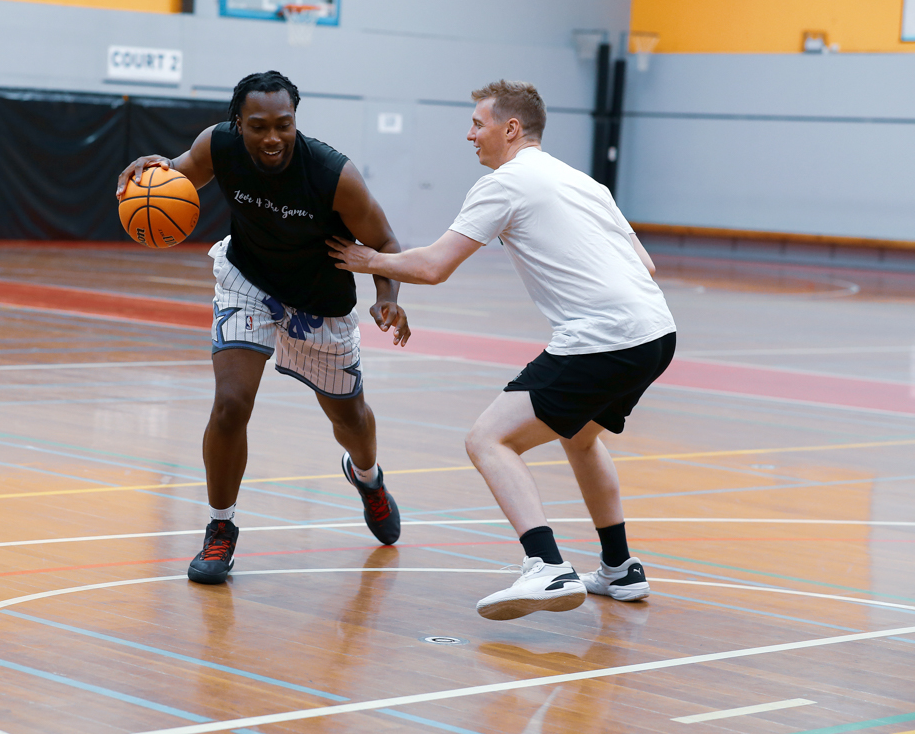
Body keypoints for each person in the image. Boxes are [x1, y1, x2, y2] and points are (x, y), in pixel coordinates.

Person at [328, 79, 676, 620]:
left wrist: (367, 260)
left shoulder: (506, 183)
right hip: (656, 333)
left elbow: (433, 267)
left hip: (601, 339)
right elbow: (646, 266)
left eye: (478, 123)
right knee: (582, 438)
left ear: (510, 129)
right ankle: (619, 568)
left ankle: (546, 566)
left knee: (487, 438)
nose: (469, 134)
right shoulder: (586, 183)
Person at [118, 70, 411, 585]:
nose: (272, 137)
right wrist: (151, 170)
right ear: (239, 124)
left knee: (352, 422)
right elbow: (177, 175)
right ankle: (221, 529)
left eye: (284, 125)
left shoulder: (331, 174)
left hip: (321, 298)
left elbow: (387, 243)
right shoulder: (218, 145)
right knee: (231, 403)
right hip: (247, 279)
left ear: (296, 121)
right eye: (259, 126)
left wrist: (386, 298)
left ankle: (368, 477)